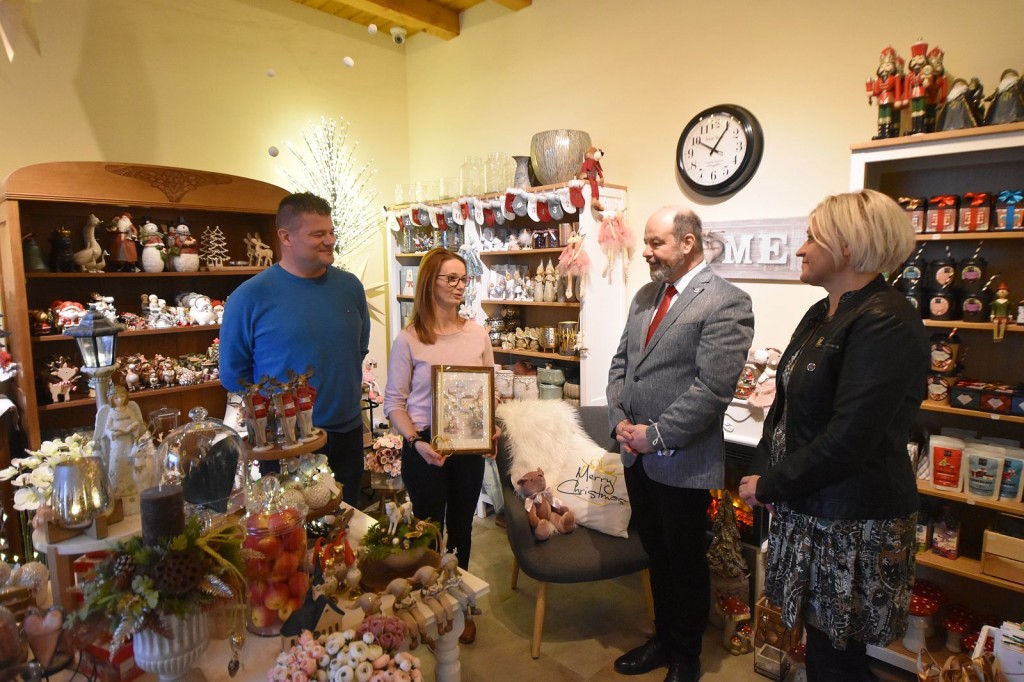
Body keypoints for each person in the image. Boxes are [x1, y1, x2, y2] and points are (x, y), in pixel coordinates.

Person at [738, 190, 929, 682]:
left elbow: (848, 440)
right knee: (822, 651)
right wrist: (762, 470)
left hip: (850, 520)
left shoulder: (884, 320)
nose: (801, 249)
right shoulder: (823, 312)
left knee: (837, 660)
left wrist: (771, 483)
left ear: (848, 244)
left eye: (812, 237)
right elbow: (783, 408)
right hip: (811, 508)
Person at [608, 206, 754, 682]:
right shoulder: (645, 296)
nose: (646, 252)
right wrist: (618, 421)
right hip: (636, 457)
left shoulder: (727, 301)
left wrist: (654, 436)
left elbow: (712, 390)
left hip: (682, 460)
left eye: (656, 243)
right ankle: (663, 640)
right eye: (647, 243)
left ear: (687, 243)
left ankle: (686, 656)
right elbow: (621, 366)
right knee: (656, 553)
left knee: (685, 560)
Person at [219, 192, 370, 507]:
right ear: (286, 237)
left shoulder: (350, 287)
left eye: (331, 232)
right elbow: (234, 375)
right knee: (292, 529)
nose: (330, 240)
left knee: (349, 521)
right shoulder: (249, 297)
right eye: (318, 234)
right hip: (287, 445)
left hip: (347, 433)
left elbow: (358, 349)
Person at [382, 248, 495, 646]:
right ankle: (431, 605)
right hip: (424, 446)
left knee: (462, 528)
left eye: (464, 278)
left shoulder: (477, 334)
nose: (460, 285)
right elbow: (393, 403)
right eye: (451, 278)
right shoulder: (409, 339)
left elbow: (487, 392)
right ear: (430, 282)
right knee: (429, 530)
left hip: (468, 447)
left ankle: (460, 604)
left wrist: (490, 429)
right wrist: (416, 442)